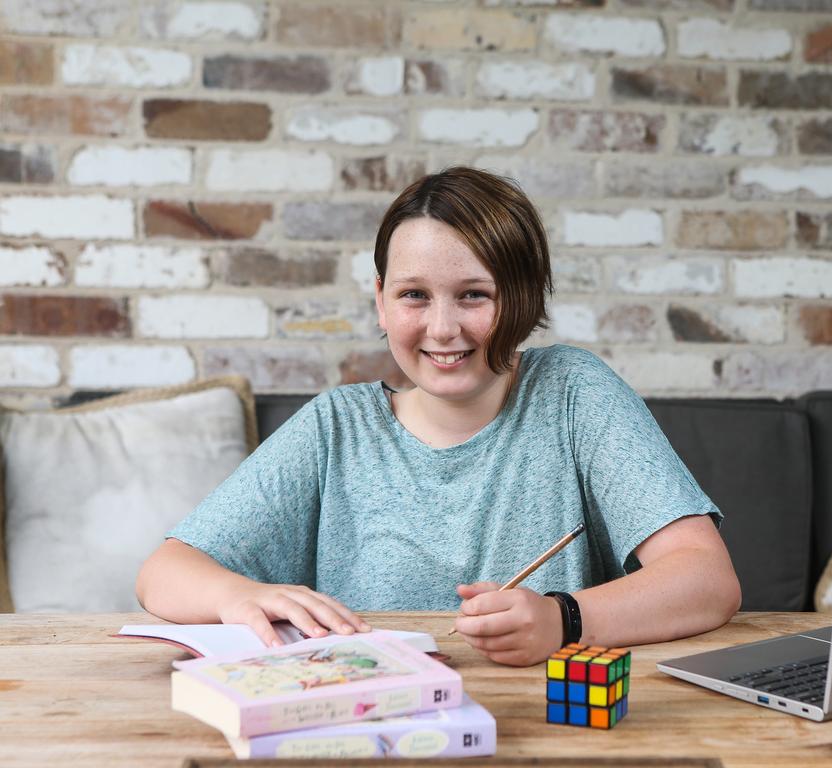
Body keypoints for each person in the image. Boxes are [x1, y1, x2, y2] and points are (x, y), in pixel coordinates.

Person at [136, 167, 741, 667]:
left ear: (523, 300)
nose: (442, 329)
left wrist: (564, 618)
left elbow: (707, 580)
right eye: (413, 295)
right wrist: (239, 595)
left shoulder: (574, 394)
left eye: (474, 294)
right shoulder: (336, 427)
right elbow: (165, 572)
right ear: (380, 300)